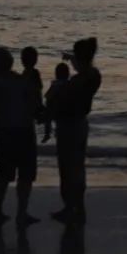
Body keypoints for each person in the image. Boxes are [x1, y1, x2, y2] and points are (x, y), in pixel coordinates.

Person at [0, 46, 40, 228]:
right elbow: (33, 100)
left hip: (3, 130)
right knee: (25, 174)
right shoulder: (19, 80)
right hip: (23, 129)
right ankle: (21, 213)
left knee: (3, 173)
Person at [55, 37, 102, 224]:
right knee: (78, 167)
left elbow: (62, 102)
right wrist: (72, 57)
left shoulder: (76, 82)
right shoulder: (93, 76)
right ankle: (78, 207)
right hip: (81, 125)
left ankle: (69, 207)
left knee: (67, 169)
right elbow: (85, 67)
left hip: (69, 126)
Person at [43, 61, 72, 212]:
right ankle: (75, 205)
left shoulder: (54, 89)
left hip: (62, 130)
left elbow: (48, 112)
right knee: (75, 168)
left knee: (64, 169)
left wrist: (47, 132)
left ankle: (67, 205)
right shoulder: (73, 87)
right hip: (76, 129)